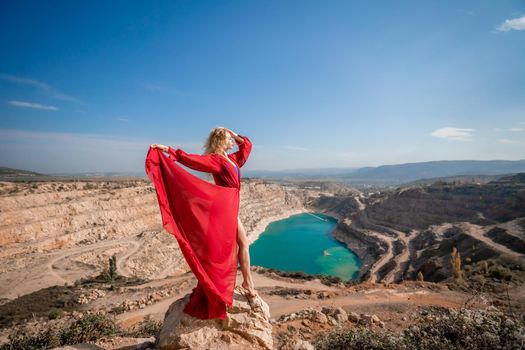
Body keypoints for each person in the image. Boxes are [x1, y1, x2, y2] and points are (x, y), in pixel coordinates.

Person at [145, 127, 257, 320]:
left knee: (241, 244)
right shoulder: (217, 160)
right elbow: (192, 160)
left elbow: (247, 145)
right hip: (224, 210)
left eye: (232, 139)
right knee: (239, 245)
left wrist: (231, 131)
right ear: (222, 141)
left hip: (231, 207)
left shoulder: (232, 159)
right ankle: (248, 285)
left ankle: (247, 284)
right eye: (229, 139)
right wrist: (168, 150)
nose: (232, 142)